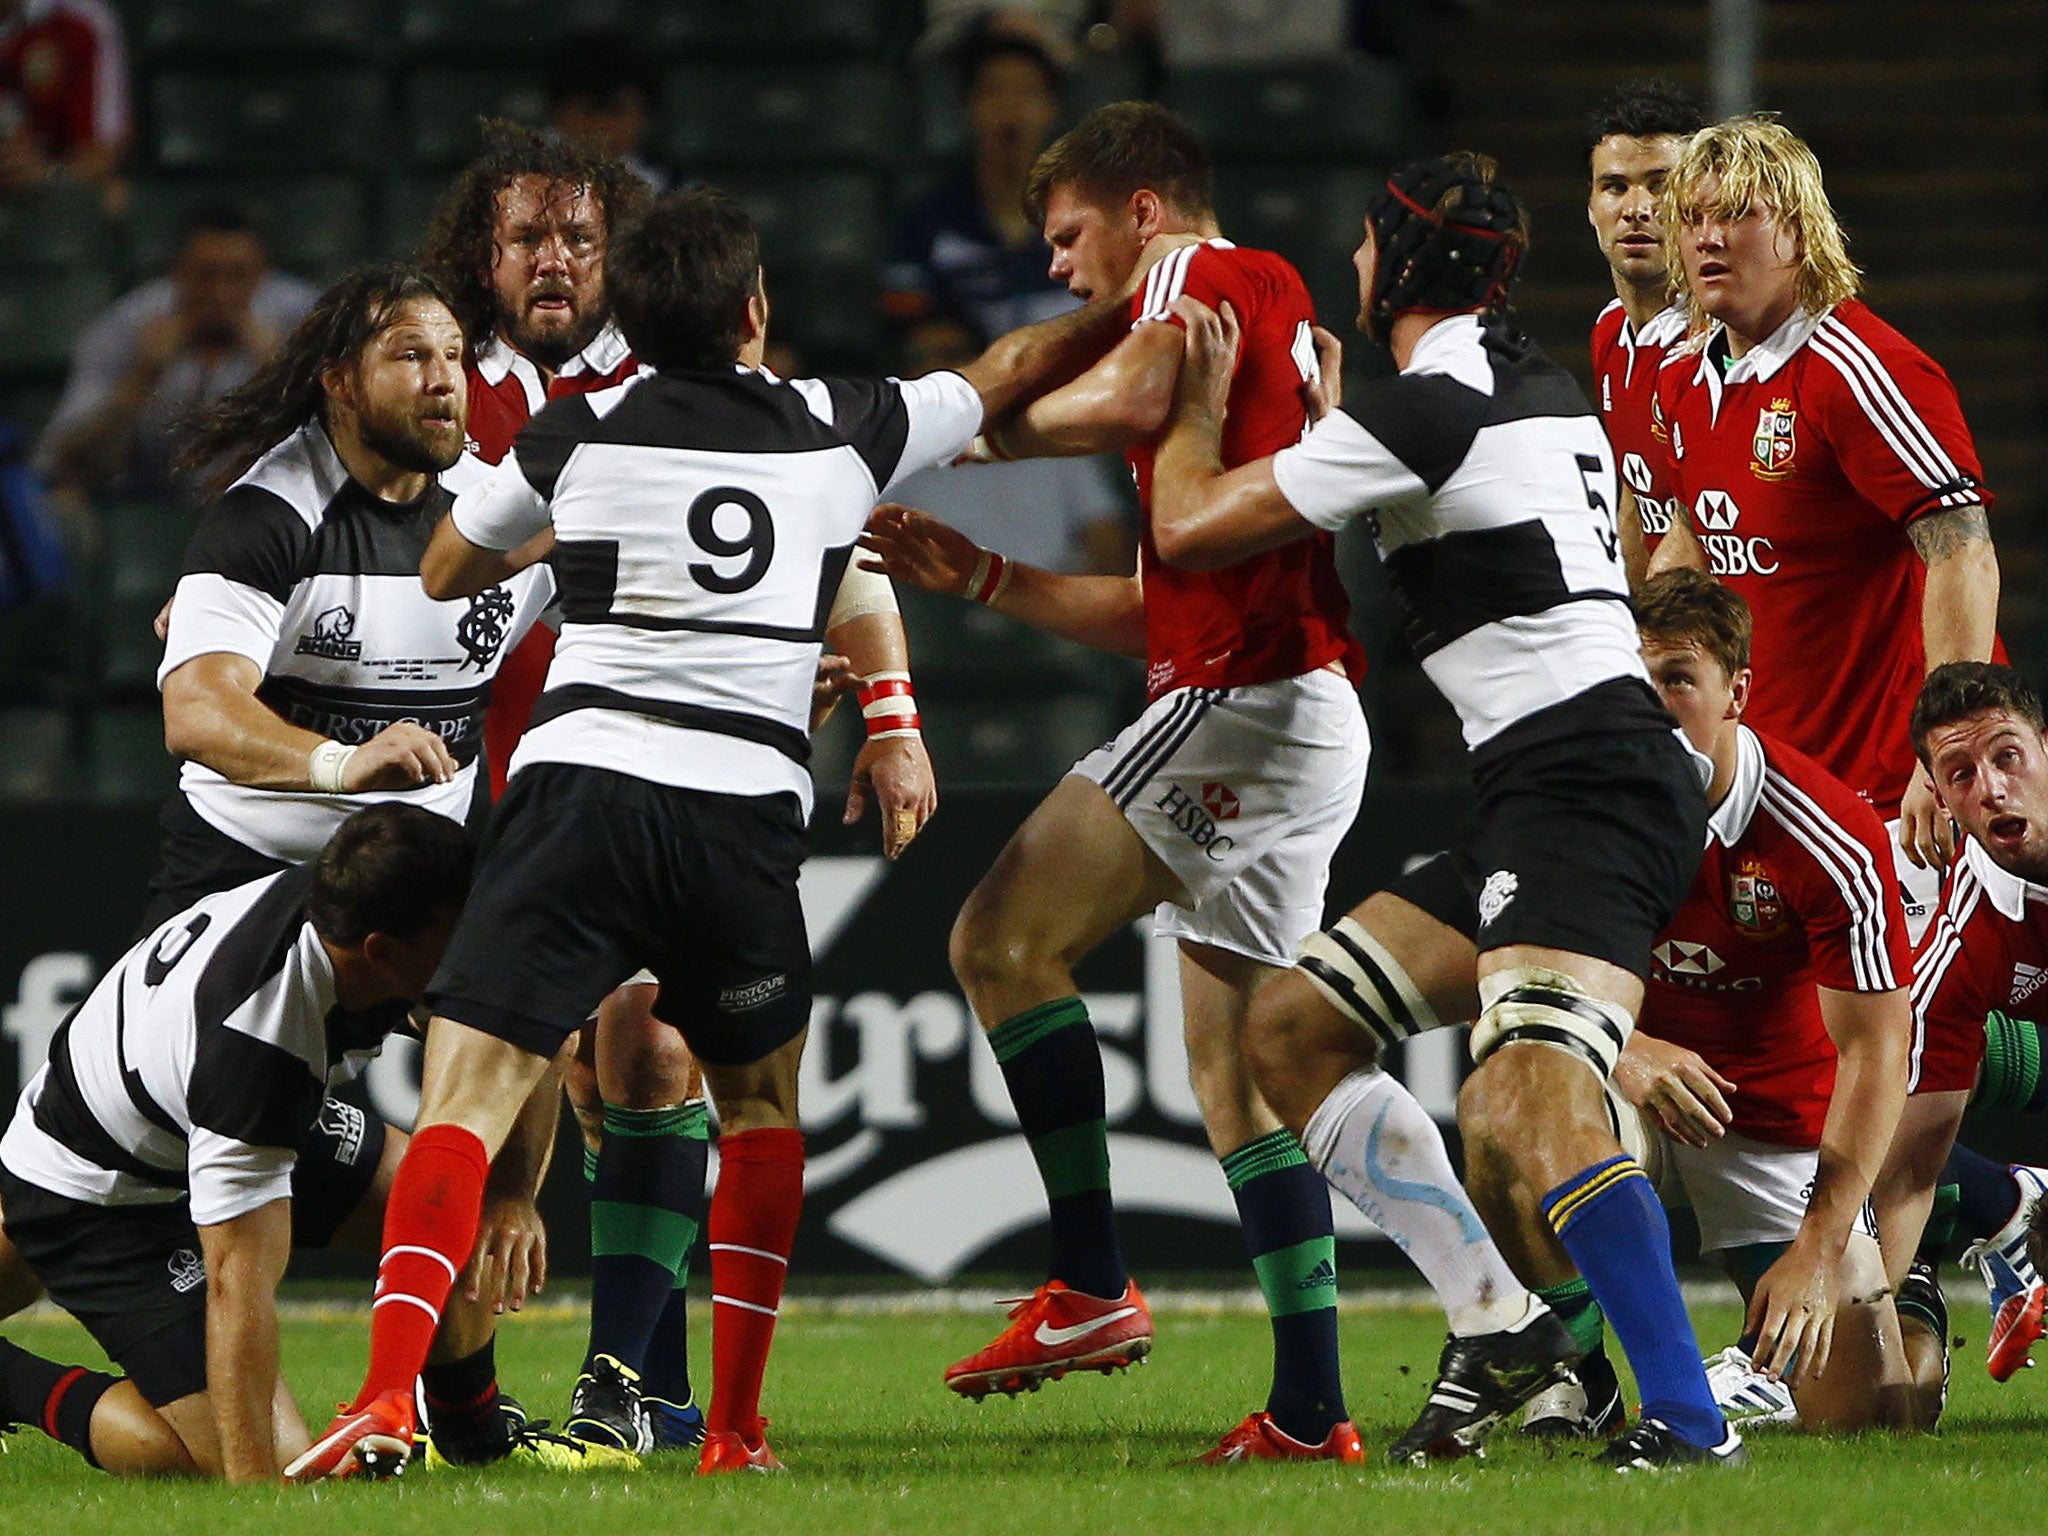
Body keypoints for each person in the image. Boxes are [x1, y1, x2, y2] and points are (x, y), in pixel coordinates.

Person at [288, 184, 1159, 1482]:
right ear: (755, 312)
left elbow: (446, 573)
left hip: (579, 786)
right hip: (737, 809)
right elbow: (1004, 368)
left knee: (466, 1092)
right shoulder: (834, 424)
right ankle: (735, 1432)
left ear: (633, 314)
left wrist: (573, 549)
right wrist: (1134, 309)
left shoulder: (578, 432)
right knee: (758, 1109)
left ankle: (381, 1399)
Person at [865, 104, 1538, 1469]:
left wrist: (954, 433)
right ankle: (1353, 1383)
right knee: (1249, 1077)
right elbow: (1161, 602)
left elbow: (1120, 404)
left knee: (998, 940)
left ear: (1144, 212)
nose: (1061, 271)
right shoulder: (1268, 306)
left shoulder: (1197, 280)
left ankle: (1092, 1281)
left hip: (1244, 704)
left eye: (1070, 239)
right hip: (1282, 699)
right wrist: (987, 577)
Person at [1150, 152, 1742, 1472]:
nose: (1354, 266)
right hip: (1545, 784)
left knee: (1533, 1096)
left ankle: (1689, 1421)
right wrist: (1335, 413)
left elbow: (1190, 527)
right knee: (1292, 1027)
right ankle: (1502, 1322)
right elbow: (1428, 460)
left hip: (1585, 785)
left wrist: (1191, 404)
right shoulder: (1525, 385)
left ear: (1401, 263)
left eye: (1366, 246)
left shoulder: (1429, 408)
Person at [420, 122, 936, 1456]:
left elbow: (852, 555)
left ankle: (617, 1380)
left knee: (644, 1050)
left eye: (577, 240)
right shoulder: (431, 378)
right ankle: (535, 1388)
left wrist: (889, 714)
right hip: (466, 776)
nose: (550, 261)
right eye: (527, 236)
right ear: (489, 249)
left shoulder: (692, 377)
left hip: (628, 771)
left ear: (616, 256)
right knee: (552, 1090)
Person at [0, 807, 551, 1482]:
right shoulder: (257, 1052)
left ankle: (474, 1436)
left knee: (446, 1202)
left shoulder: (352, 912)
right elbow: (238, 1283)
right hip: (104, 1197)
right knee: (237, 1458)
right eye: (459, 936)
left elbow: (533, 1034)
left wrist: (511, 1194)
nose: (480, 951)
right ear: (381, 952)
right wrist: (259, 1496)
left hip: (181, 1120)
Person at [1520, 571, 1921, 1438]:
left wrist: (1820, 1245)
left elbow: (1880, 1050)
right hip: (1635, 1098)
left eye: (1676, 678)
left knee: (1880, 1413)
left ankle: (1892, 1271)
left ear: (1738, 691)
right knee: (1517, 1105)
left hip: (1772, 1124)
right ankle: (1574, 1372)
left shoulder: (1826, 831)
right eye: (1635, 682)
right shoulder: (1568, 805)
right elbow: (1515, 975)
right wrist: (1626, 1047)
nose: (1653, 705)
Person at [1650, 115, 2000, 946]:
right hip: (1773, 794)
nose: (1708, 238)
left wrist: (1942, 752)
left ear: (1799, 231)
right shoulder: (1685, 380)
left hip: (1892, 799)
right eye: (1693, 218)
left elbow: (1964, 555)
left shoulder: (1859, 369)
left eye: (1735, 214)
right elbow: (1694, 543)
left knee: (1924, 1063)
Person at [1871, 663, 2048, 1382]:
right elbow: (1909, 1169)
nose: (1993, 788)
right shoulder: (1966, 937)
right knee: (1872, 1077)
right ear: (1938, 796)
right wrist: (1852, 1315)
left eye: (2008, 756)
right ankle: (2014, 1216)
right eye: (1961, 773)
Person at [36, 206, 316, 507]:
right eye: (205, 275)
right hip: (145, 504)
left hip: (266, 505)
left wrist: (279, 376)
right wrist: (142, 377)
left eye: (236, 275)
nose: (220, 292)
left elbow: (338, 451)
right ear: (178, 272)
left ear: (262, 274)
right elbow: (63, 461)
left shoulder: (302, 318)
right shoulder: (127, 325)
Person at [884, 31, 1077, 349]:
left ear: (1051, 109)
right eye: (993, 91)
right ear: (968, 108)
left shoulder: (1091, 217)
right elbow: (904, 314)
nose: (1010, 107)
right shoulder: (927, 217)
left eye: (1027, 91)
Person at [1582, 81, 1703, 582]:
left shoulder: (1719, 343)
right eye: (1615, 186)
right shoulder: (1610, 332)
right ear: (1591, 208)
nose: (1637, 207)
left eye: (1660, 184)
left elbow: (1695, 524)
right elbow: (1635, 491)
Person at [0, 0, 128, 197]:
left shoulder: (80, 21)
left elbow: (104, 151)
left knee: (113, 196)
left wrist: (49, 176)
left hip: (57, 201)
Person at [546, 30, 676, 192]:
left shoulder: (670, 189)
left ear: (644, 116)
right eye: (590, 110)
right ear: (559, 112)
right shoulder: (518, 181)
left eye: (615, 111)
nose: (601, 126)